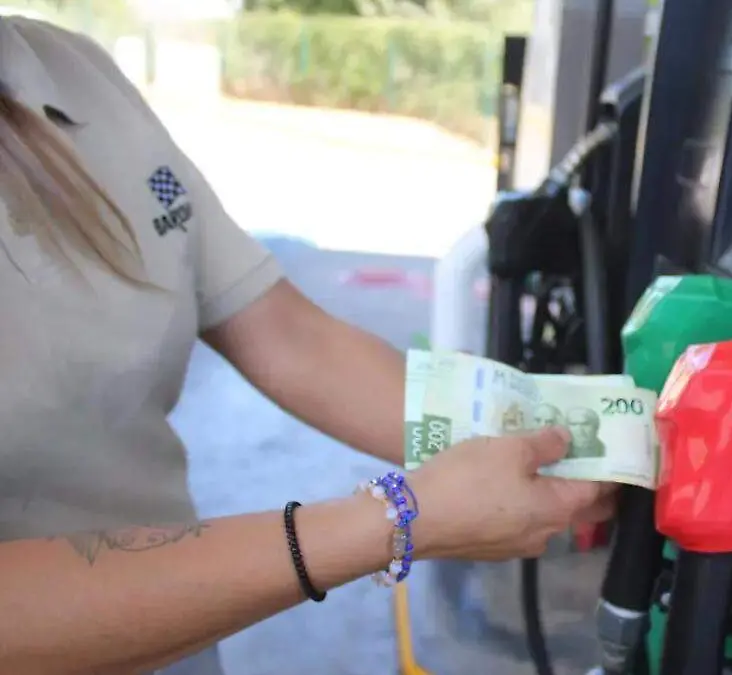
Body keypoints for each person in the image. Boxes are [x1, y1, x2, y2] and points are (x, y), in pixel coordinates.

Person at [0, 16, 615, 675]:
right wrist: (401, 518)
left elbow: (286, 334)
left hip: (178, 642)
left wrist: (576, 437)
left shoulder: (71, 74)